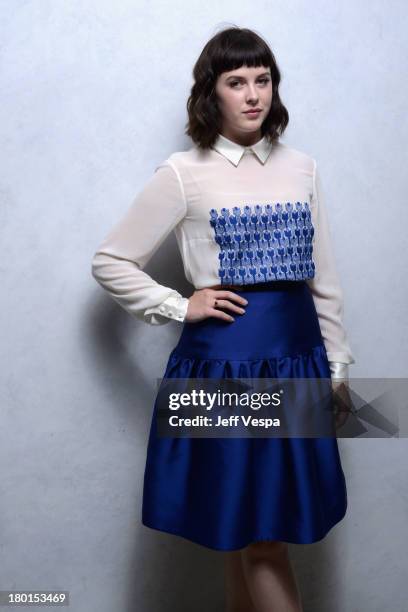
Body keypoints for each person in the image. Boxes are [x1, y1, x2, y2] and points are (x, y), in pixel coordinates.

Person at [91, 26, 355, 612]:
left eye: (263, 80)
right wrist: (181, 304)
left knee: (254, 535)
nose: (253, 94)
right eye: (237, 83)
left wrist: (336, 365)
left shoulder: (303, 168)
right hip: (224, 371)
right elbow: (111, 261)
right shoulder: (185, 173)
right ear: (212, 93)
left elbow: (325, 278)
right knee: (258, 537)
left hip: (298, 360)